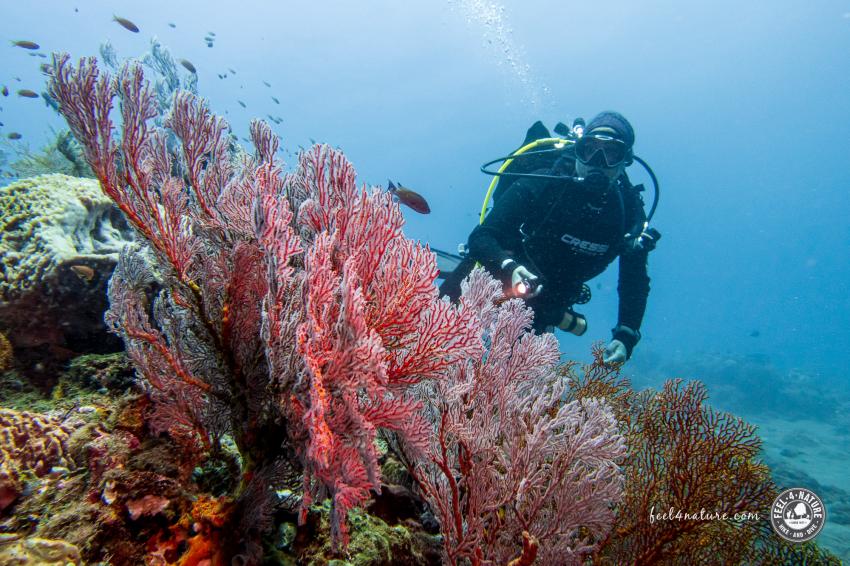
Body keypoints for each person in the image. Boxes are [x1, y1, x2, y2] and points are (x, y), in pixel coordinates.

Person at [440, 111, 660, 364]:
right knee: (429, 334)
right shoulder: (543, 183)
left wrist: (626, 334)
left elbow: (635, 281)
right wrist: (508, 265)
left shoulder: (628, 213)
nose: (598, 161)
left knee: (512, 377)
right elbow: (482, 237)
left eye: (611, 154)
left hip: (547, 301)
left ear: (625, 161)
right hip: (495, 270)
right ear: (578, 150)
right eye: (589, 149)